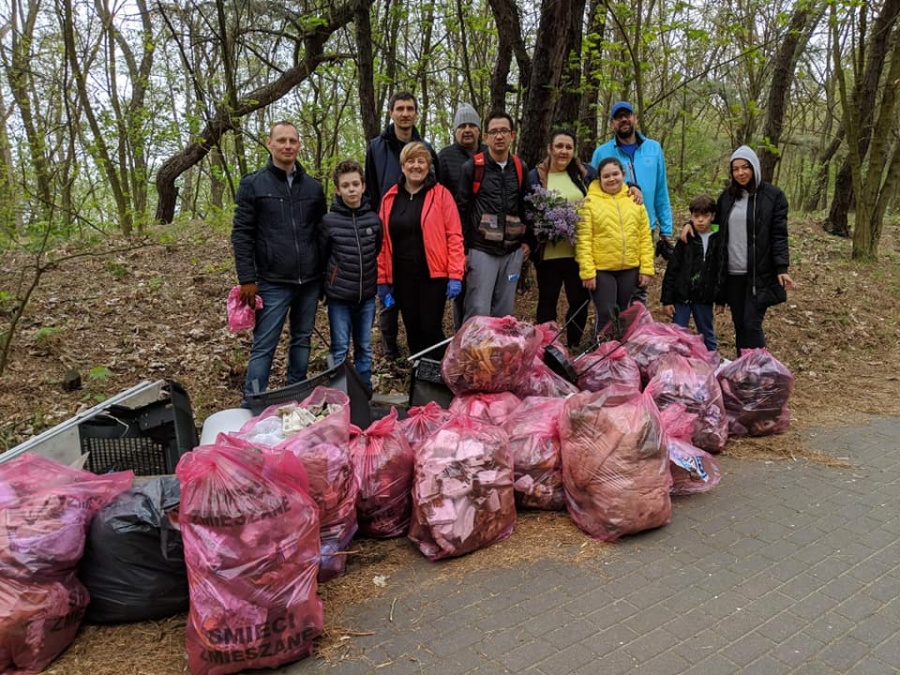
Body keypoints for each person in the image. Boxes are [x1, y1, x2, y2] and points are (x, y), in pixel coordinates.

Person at [232, 120, 326, 403]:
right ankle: (253, 402)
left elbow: (322, 233)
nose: (287, 146)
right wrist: (247, 279)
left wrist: (323, 276)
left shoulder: (313, 187)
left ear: (299, 145)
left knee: (301, 340)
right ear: (269, 143)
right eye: (282, 140)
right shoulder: (253, 184)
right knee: (264, 345)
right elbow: (242, 234)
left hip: (309, 281)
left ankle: (294, 397)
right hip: (272, 281)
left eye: (293, 141)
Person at [365, 92, 440, 361]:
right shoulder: (376, 147)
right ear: (391, 113)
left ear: (416, 113)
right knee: (388, 293)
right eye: (400, 108)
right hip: (388, 227)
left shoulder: (426, 148)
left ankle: (419, 352)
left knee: (416, 298)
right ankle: (389, 347)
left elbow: (435, 189)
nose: (405, 113)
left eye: (410, 108)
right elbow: (371, 189)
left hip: (419, 233)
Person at [377, 142, 465, 357]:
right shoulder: (390, 198)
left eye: (421, 161)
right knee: (413, 328)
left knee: (430, 328)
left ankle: (443, 372)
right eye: (411, 161)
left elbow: (454, 236)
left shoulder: (441, 195)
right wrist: (382, 280)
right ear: (402, 165)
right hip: (402, 275)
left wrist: (455, 274)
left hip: (433, 275)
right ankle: (421, 378)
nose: (416, 166)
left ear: (428, 165)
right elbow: (382, 242)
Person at [712, 146, 793, 354]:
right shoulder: (726, 198)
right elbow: (712, 226)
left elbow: (779, 234)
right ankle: (742, 372)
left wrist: (782, 267)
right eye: (735, 169)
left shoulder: (773, 196)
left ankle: (759, 372)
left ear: (754, 167)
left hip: (759, 273)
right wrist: (688, 225)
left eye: (745, 167)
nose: (740, 173)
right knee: (740, 325)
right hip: (732, 275)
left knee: (751, 323)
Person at [590, 101, 672, 302]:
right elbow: (593, 190)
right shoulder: (601, 152)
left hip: (645, 227)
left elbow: (661, 189)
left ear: (634, 118)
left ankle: (636, 330)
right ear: (612, 124)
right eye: (619, 117)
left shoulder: (653, 148)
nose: (624, 120)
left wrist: (666, 230)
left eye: (628, 115)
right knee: (613, 289)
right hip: (610, 229)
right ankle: (611, 329)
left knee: (639, 286)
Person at [525, 129, 596, 349]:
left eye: (568, 147)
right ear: (549, 148)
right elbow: (526, 210)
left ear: (574, 151)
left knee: (579, 300)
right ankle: (547, 345)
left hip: (579, 252)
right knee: (547, 299)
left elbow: (612, 185)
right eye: (559, 146)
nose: (563, 151)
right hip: (548, 252)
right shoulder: (535, 176)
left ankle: (573, 342)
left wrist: (634, 187)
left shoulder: (586, 173)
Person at [457, 111, 529, 321]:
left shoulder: (519, 167)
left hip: (512, 251)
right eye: (494, 132)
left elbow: (525, 206)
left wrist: (527, 241)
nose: (499, 136)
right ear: (486, 137)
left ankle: (499, 353)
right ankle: (472, 352)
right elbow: (462, 208)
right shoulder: (473, 167)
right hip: (481, 249)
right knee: (478, 308)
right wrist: (463, 249)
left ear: (512, 135)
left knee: (505, 313)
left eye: (504, 131)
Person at [319, 160, 382, 390]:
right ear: (337, 189)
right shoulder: (329, 222)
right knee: (340, 347)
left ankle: (364, 391)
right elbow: (323, 256)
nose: (351, 189)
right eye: (346, 186)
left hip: (366, 296)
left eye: (356, 184)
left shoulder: (373, 220)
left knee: (364, 347)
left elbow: (376, 248)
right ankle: (338, 394)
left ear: (363, 186)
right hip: (339, 298)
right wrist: (326, 288)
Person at [576, 157, 654, 329]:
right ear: (599, 179)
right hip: (602, 270)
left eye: (615, 174)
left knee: (623, 312)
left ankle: (619, 350)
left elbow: (645, 238)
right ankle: (602, 350)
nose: (612, 179)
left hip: (629, 268)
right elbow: (584, 240)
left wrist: (646, 269)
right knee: (607, 314)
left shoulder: (635, 201)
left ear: (623, 174)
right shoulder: (589, 203)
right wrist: (587, 272)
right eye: (606, 176)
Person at [438, 103, 486, 330]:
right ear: (455, 131)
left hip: (488, 235)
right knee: (462, 290)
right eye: (462, 126)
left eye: (471, 125)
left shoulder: (489, 154)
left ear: (479, 129)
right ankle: (461, 336)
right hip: (456, 235)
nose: (467, 130)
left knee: (484, 292)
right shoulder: (445, 157)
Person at [661, 194, 722, 352]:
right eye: (696, 216)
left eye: (705, 216)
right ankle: (675, 364)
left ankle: (712, 364)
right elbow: (672, 270)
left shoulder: (719, 239)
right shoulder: (686, 239)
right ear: (691, 217)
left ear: (713, 216)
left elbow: (721, 271)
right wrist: (667, 300)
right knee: (677, 333)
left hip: (704, 297)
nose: (700, 220)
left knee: (706, 332)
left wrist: (721, 298)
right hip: (682, 297)